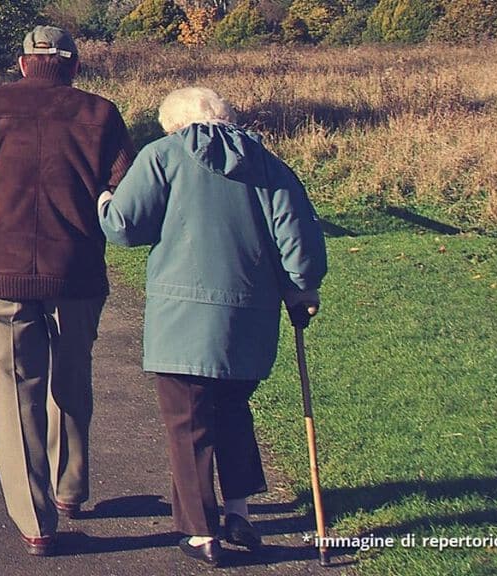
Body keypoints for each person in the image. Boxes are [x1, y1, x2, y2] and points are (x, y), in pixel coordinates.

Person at [97, 87, 327, 567]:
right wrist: (303, 289)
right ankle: (239, 511)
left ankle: (201, 532)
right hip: (250, 318)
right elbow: (298, 242)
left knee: (188, 423)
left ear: (174, 125)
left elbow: (123, 226)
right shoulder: (269, 164)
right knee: (233, 410)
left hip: (181, 319)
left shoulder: (163, 156)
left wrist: (103, 200)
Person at [0, 25, 135, 556]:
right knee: (73, 378)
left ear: (24, 63)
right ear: (73, 65)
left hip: (2, 272)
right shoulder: (101, 114)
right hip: (77, 272)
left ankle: (36, 521)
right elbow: (126, 191)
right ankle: (70, 488)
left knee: (16, 392)